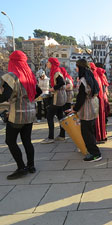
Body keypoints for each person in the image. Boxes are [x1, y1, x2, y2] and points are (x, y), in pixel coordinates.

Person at [0, 51, 42, 179]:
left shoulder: (12, 76)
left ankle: (21, 167)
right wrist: (27, 98)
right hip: (29, 113)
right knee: (27, 140)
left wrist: (13, 99)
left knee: (10, 141)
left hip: (17, 114)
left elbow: (5, 96)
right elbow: (38, 91)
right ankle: (31, 166)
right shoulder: (30, 75)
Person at [69, 59, 101, 162]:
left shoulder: (83, 79)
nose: (76, 68)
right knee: (90, 131)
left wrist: (75, 109)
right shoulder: (90, 76)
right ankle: (93, 150)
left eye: (77, 66)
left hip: (87, 108)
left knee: (86, 132)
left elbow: (81, 97)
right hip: (93, 105)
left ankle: (95, 154)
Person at [41, 58, 67, 144]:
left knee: (49, 116)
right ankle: (62, 135)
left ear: (52, 64)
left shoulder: (56, 72)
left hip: (58, 98)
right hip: (59, 97)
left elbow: (62, 82)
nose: (47, 64)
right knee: (60, 116)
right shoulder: (55, 71)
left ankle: (50, 137)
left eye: (48, 62)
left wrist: (53, 88)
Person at [90, 62, 107, 143]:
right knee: (102, 117)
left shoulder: (94, 75)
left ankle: (98, 136)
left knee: (97, 118)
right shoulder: (100, 75)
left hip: (97, 99)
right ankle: (102, 135)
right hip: (102, 98)